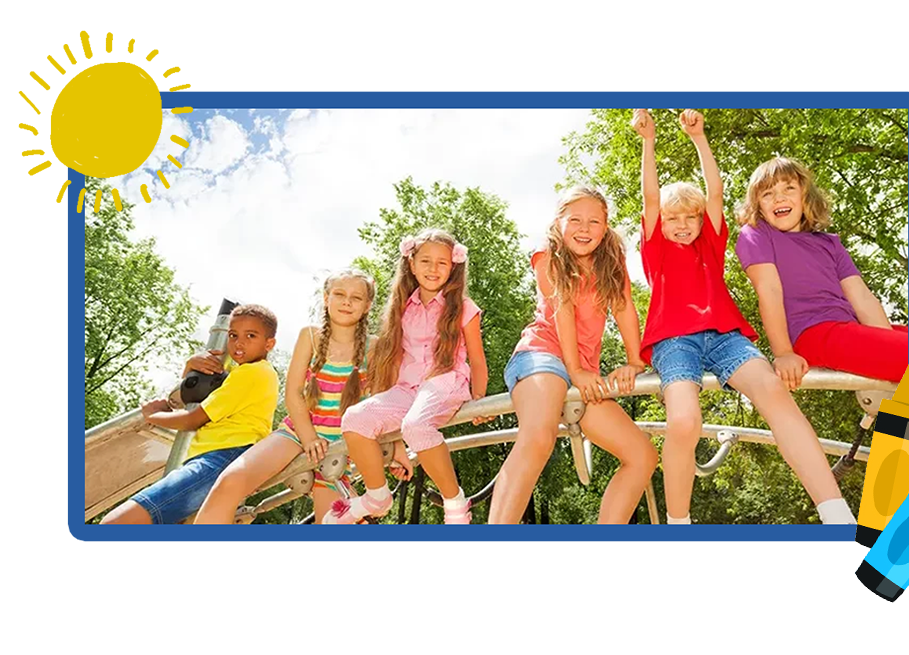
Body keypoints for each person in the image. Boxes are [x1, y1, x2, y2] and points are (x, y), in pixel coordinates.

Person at [632, 108, 855, 525]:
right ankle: (678, 524)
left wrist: (699, 138)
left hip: (724, 336)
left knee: (774, 391)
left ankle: (835, 512)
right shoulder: (657, 253)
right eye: (672, 218)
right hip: (675, 339)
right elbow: (649, 198)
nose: (682, 224)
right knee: (684, 420)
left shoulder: (710, 247)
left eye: (691, 217)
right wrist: (649, 142)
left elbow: (714, 192)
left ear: (702, 220)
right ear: (659, 224)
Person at [488, 186, 659, 525]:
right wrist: (576, 370)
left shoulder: (610, 259)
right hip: (543, 356)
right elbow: (562, 307)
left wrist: (634, 360)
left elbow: (624, 308)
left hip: (582, 372)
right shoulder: (547, 253)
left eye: (594, 221)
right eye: (575, 220)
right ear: (558, 222)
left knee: (642, 454)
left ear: (606, 226)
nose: (584, 229)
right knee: (539, 435)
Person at [193, 270, 400, 524]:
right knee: (230, 480)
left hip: (339, 445)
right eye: (339, 294)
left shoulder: (375, 347)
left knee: (337, 524)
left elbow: (381, 404)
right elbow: (292, 394)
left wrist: (396, 447)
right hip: (297, 433)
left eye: (356, 298)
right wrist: (309, 437)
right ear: (326, 298)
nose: (347, 302)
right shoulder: (310, 336)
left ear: (368, 306)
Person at [329, 229, 490, 525]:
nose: (433, 269)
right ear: (412, 264)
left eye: (442, 263)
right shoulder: (403, 308)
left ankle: (454, 503)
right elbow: (394, 361)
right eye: (425, 261)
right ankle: (377, 495)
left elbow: (478, 360)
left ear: (453, 266)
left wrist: (479, 397)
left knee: (416, 425)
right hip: (408, 389)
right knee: (354, 418)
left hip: (445, 383)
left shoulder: (464, 308)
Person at [100, 304, 280, 525]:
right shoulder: (243, 374)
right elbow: (196, 395)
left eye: (250, 336)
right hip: (212, 459)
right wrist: (191, 368)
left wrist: (152, 415)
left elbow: (192, 419)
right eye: (233, 335)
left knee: (115, 523)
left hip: (221, 459)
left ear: (269, 344)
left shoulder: (253, 373)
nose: (239, 343)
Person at [735, 156, 908, 385]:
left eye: (789, 188)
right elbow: (769, 291)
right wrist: (784, 352)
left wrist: (885, 342)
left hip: (849, 329)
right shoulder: (757, 234)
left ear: (805, 196)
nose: (779, 197)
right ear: (758, 206)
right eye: (767, 193)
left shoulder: (829, 243)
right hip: (814, 332)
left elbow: (861, 297)